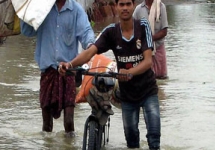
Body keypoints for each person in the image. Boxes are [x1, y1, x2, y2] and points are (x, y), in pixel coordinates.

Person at [58, 0, 161, 149]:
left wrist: (129, 72)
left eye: (128, 4)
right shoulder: (111, 32)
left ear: (133, 5)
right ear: (116, 7)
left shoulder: (143, 26)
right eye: (121, 4)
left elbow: (148, 62)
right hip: (127, 94)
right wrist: (70, 64)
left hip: (148, 90)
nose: (125, 8)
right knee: (131, 140)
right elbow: (89, 52)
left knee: (154, 136)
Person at [20, 0, 95, 136]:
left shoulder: (76, 10)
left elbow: (86, 32)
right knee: (47, 125)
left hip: (68, 71)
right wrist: (26, 12)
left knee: (69, 121)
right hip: (47, 71)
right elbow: (27, 31)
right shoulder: (42, 9)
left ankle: (69, 145)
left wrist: (91, 45)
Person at [133, 0, 169, 79]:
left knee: (162, 77)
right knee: (146, 76)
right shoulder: (138, 9)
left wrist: (149, 38)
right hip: (144, 49)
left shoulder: (161, 7)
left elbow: (164, 31)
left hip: (158, 47)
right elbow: (132, 28)